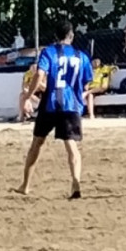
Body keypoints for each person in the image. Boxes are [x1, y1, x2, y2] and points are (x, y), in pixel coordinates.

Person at [16, 21, 92, 199]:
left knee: (37, 143)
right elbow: (86, 81)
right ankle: (75, 183)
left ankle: (25, 185)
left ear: (55, 36)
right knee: (71, 145)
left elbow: (39, 75)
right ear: (71, 36)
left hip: (50, 103)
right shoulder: (82, 56)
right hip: (71, 105)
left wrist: (28, 96)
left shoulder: (48, 52)